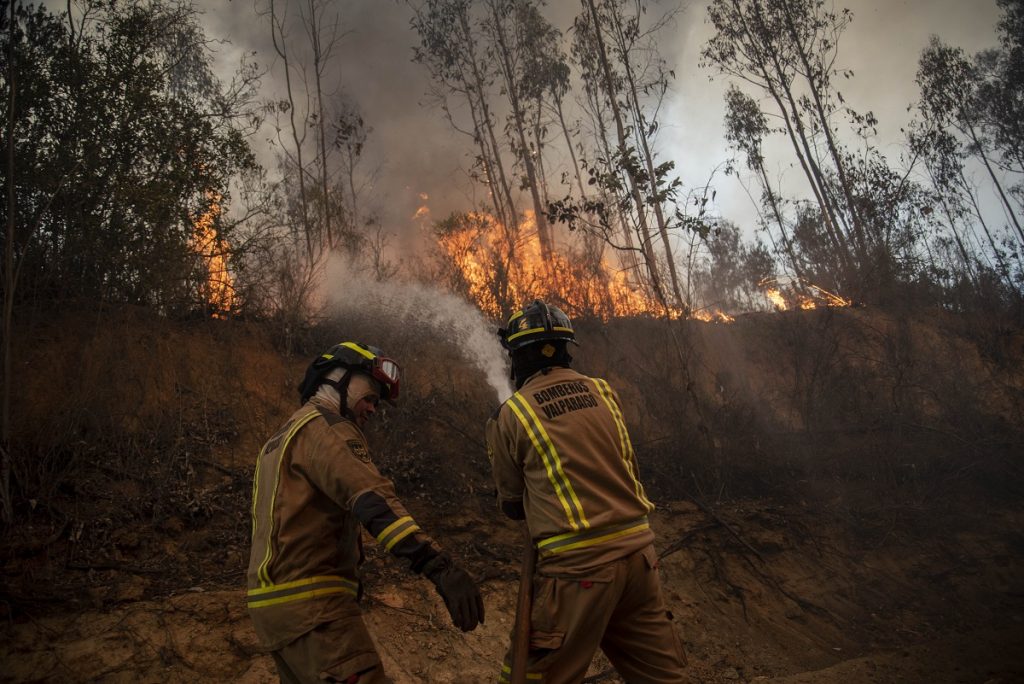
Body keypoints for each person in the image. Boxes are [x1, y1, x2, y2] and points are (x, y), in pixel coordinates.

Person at [247, 341, 484, 684]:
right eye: (371, 396)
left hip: (272, 611)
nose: (373, 409)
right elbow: (374, 502)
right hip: (316, 609)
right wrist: (440, 567)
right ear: (337, 378)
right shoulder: (328, 428)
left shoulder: (281, 437)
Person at [485, 301, 687, 684]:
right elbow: (629, 468)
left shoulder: (512, 413)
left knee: (531, 674)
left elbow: (512, 505)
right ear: (565, 350)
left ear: (519, 357)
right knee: (662, 676)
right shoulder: (604, 392)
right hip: (640, 559)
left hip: (578, 571)